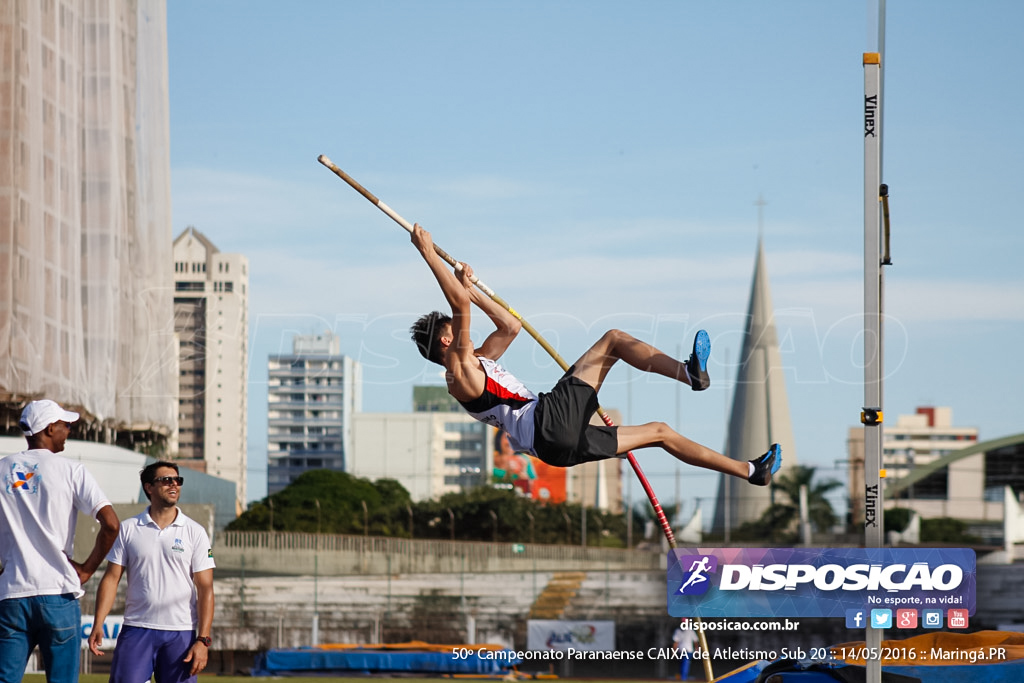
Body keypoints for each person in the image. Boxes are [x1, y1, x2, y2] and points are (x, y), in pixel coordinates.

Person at [408, 223, 782, 484]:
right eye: (454, 332)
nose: (462, 333)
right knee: (614, 339)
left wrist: (470, 287)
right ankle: (690, 374)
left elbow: (510, 326)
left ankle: (751, 472)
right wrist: (429, 255)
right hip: (546, 423)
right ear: (445, 343)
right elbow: (458, 306)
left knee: (660, 432)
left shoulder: (478, 362)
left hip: (555, 444)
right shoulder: (458, 373)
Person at [0, 399, 119, 683]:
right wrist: (88, 569)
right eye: (65, 425)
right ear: (50, 428)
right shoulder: (71, 470)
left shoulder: (1, 468)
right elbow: (112, 525)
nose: (68, 430)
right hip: (58, 593)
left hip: (12, 593)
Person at [88, 461, 215, 683]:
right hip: (137, 628)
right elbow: (111, 578)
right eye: (166, 480)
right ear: (149, 487)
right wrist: (98, 622)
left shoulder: (195, 532)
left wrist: (203, 640)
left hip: (181, 633)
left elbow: (205, 588)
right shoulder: (128, 528)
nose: (174, 484)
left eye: (178, 480)